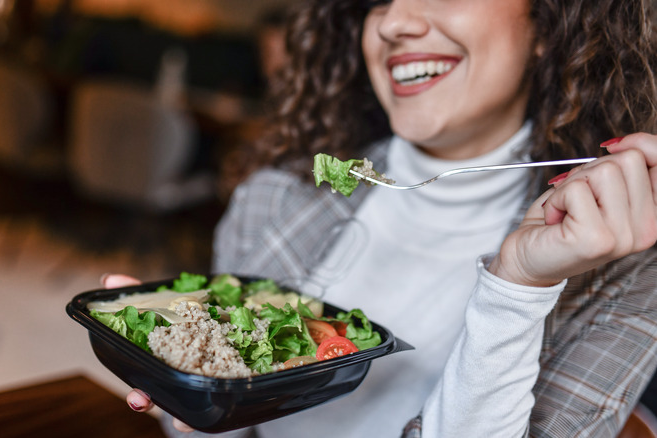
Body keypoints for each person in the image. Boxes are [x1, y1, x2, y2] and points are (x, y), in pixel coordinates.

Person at [102, 0, 657, 436]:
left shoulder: (627, 273)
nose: (393, 21)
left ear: (547, 24)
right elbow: (211, 432)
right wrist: (184, 379)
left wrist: (517, 289)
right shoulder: (277, 199)